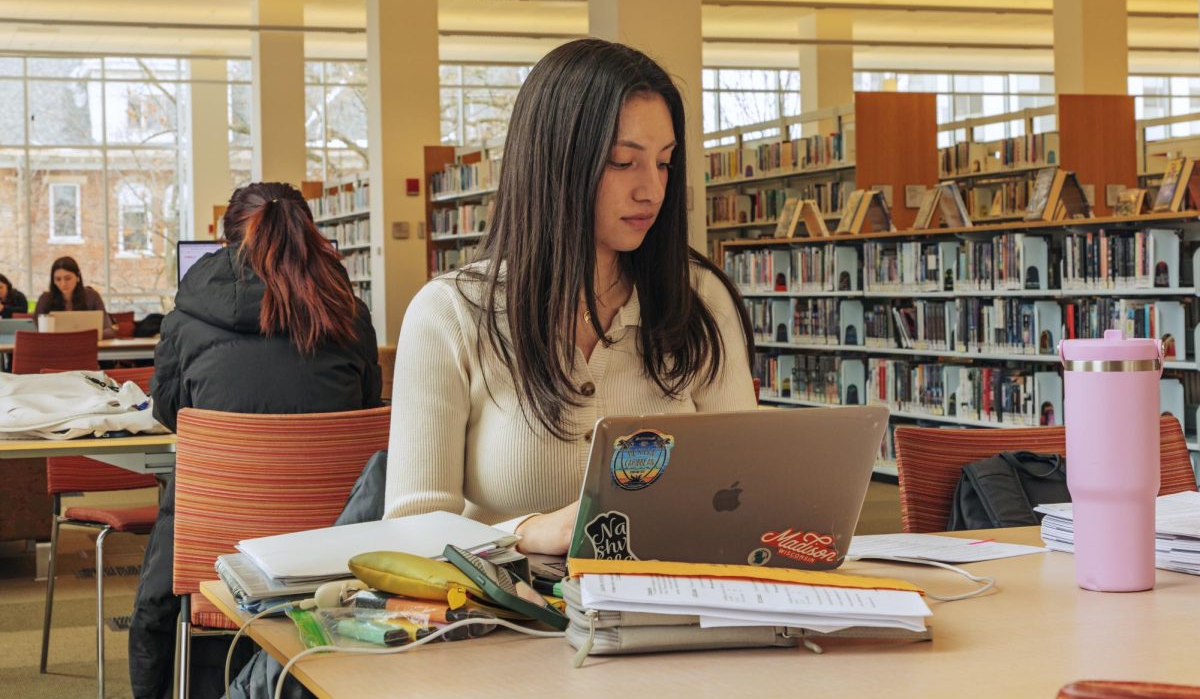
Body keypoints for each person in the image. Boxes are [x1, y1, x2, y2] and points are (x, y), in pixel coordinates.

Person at [384, 38, 757, 556]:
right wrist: (523, 533)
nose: (651, 189)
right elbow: (412, 528)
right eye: (623, 163)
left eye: (665, 163)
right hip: (513, 617)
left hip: (677, 607)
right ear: (555, 164)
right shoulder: (451, 313)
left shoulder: (701, 298)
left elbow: (749, 488)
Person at [128, 182, 383, 699]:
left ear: (225, 243)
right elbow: (368, 408)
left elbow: (169, 412)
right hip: (333, 551)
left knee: (156, 594)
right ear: (309, 235)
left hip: (213, 546)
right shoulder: (351, 316)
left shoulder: (187, 319)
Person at [33, 256, 115, 338]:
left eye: (67, 278)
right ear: (53, 281)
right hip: (54, 348)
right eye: (58, 279)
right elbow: (35, 331)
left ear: (77, 277)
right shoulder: (45, 300)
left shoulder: (92, 297)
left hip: (84, 346)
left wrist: (83, 337)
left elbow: (109, 330)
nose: (63, 284)